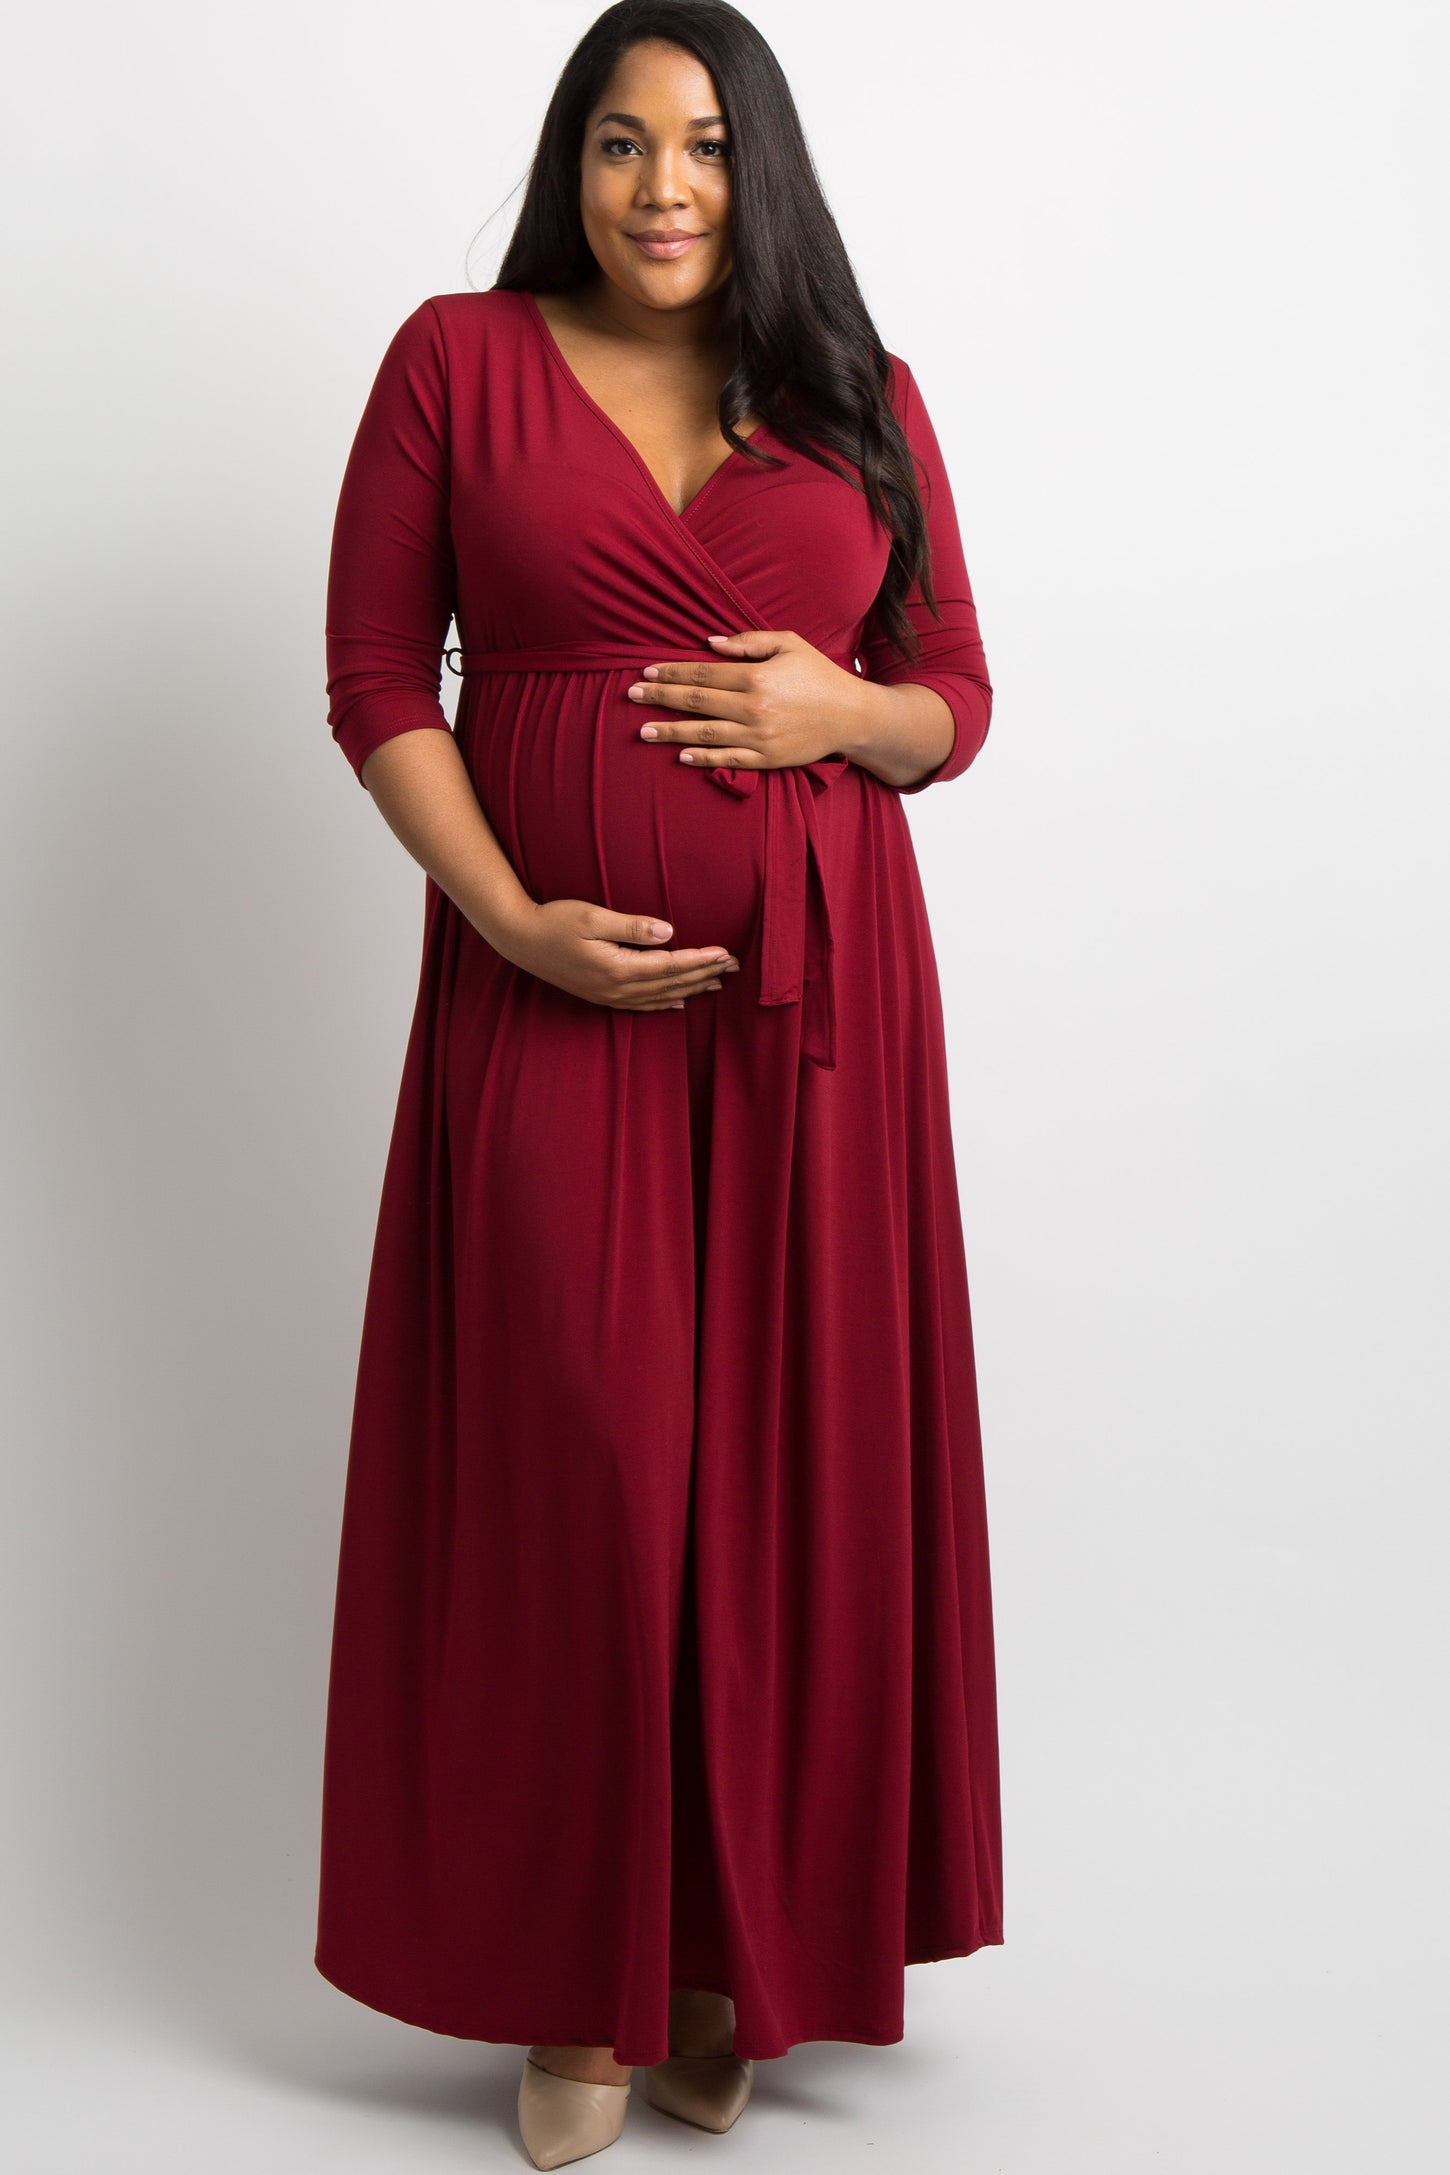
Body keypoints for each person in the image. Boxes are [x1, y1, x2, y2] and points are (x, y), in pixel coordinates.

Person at [314, 2, 1003, 2165]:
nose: (662, 186)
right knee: (587, 1461)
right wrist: (511, 918)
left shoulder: (858, 393)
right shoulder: (456, 359)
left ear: (756, 167)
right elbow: (372, 673)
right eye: (619, 145)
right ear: (572, 166)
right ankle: (576, 1973)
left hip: (821, 1017)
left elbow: (952, 694)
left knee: (788, 1475)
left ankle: (727, 1960)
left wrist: (836, 711)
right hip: (547, 995)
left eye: (702, 145)